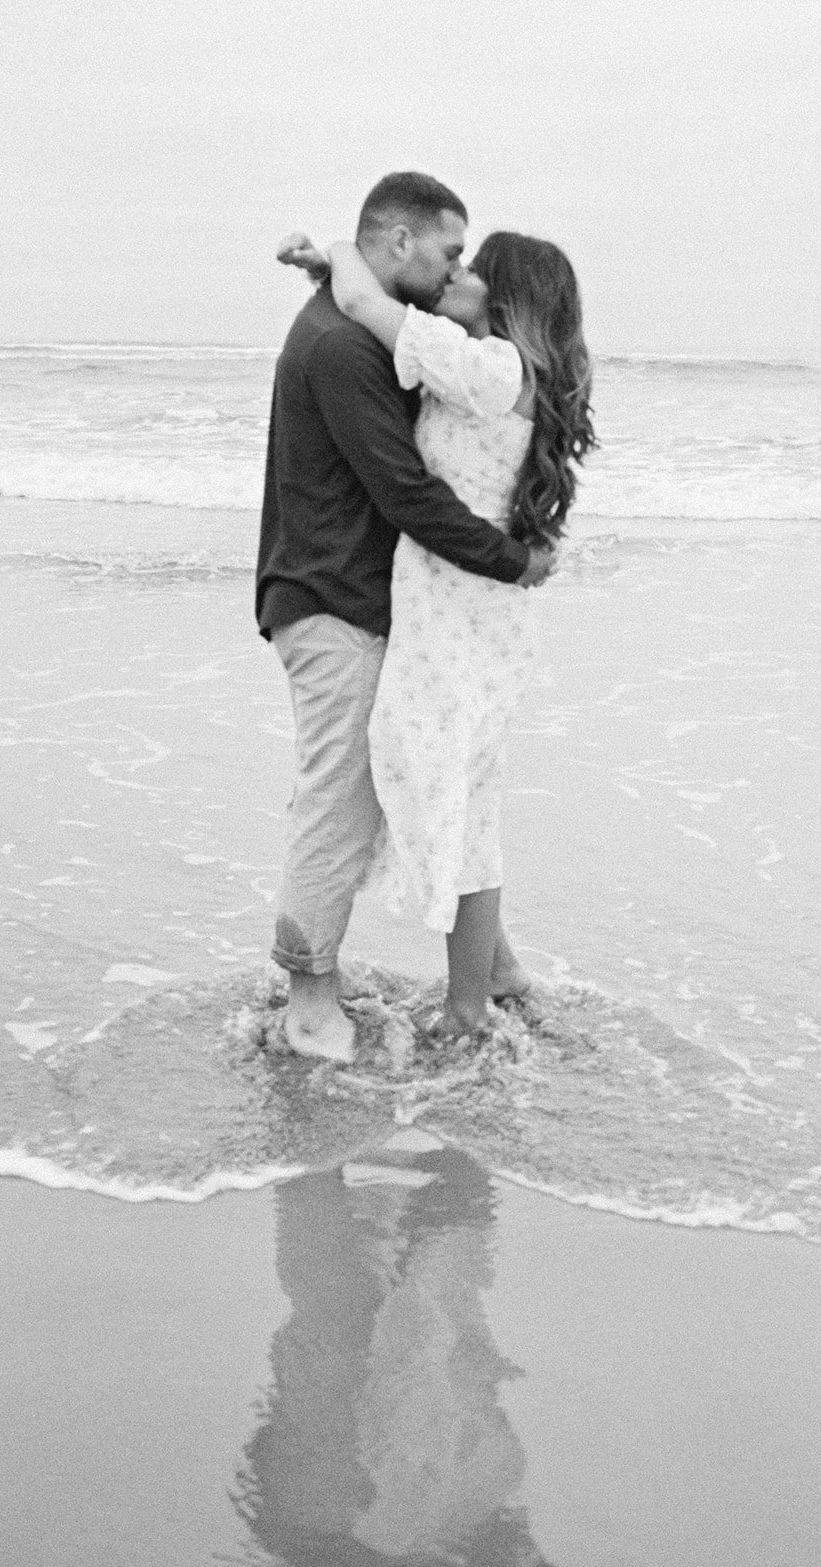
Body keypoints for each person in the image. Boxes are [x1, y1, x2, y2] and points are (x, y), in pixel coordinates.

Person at [258, 173, 555, 1064]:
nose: (458, 266)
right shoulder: (347, 350)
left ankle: (492, 973)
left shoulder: (366, 330)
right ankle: (310, 1001)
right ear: (399, 244)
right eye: (449, 250)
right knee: (343, 797)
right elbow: (407, 493)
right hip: (332, 602)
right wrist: (512, 562)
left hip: (363, 601)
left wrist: (332, 262)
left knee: (431, 781)